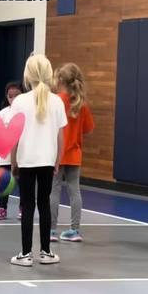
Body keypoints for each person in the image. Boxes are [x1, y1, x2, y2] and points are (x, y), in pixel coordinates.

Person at [10, 54, 67, 267]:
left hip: (26, 160)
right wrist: (57, 160)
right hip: (47, 160)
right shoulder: (57, 102)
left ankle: (25, 254)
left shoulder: (20, 102)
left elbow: (14, 135)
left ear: (28, 75)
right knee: (44, 204)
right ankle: (46, 252)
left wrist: (13, 160)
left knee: (27, 204)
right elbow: (61, 136)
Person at [50, 63, 94, 242]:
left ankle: (51, 230)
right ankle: (74, 230)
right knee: (75, 192)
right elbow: (88, 129)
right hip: (74, 154)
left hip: (56, 154)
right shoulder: (81, 104)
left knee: (53, 191)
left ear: (60, 80)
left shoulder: (56, 101)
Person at [0, 81, 23, 221]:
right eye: (11, 96)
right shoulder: (3, 113)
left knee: (23, 183)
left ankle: (23, 208)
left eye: (17, 95)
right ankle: (2, 207)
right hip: (5, 156)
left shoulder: (25, 112)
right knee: (5, 182)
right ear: (7, 97)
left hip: (22, 156)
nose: (14, 99)